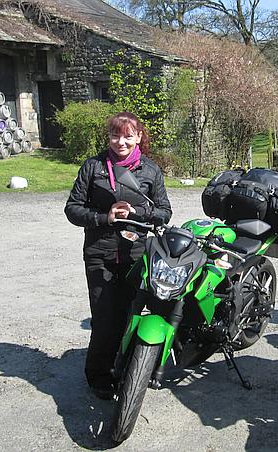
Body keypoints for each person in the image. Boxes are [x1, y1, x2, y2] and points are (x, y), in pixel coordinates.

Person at [64, 111, 172, 399]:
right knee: (103, 318)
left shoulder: (150, 171)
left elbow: (164, 213)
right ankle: (98, 376)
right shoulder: (93, 167)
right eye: (115, 135)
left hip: (135, 255)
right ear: (108, 137)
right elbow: (72, 209)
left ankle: (125, 370)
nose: (120, 141)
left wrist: (138, 212)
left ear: (138, 137)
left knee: (128, 315)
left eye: (127, 135)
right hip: (99, 253)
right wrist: (104, 218)